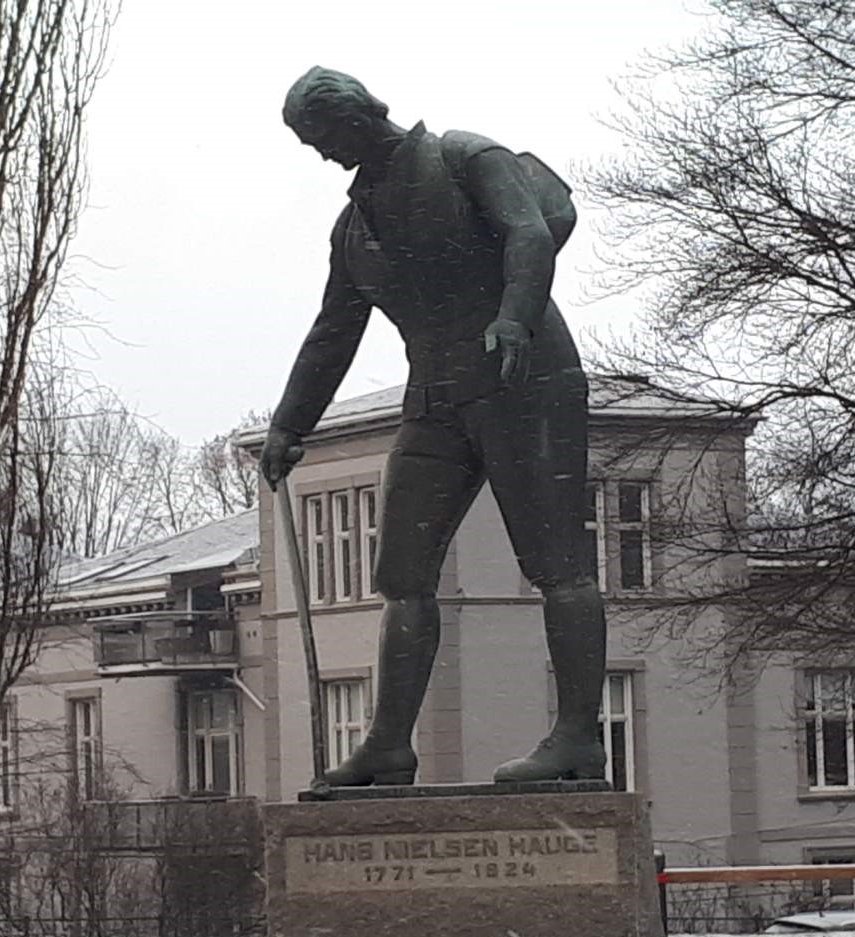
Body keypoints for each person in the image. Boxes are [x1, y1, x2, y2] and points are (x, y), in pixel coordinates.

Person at [260, 67, 607, 786]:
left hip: (524, 379)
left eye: (323, 137)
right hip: (435, 396)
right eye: (308, 143)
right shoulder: (356, 227)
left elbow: (530, 232)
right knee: (402, 575)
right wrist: (288, 427)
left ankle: (577, 737)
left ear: (358, 117)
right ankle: (390, 744)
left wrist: (513, 317)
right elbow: (334, 332)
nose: (320, 154)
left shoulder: (464, 158)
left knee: (557, 565)